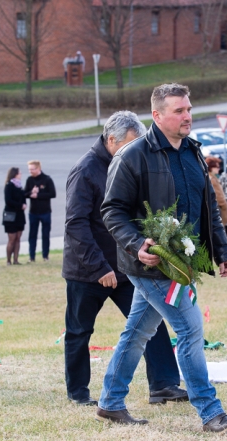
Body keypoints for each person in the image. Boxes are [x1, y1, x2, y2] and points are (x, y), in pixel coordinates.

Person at [99, 83, 227, 434]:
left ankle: (110, 401)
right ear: (157, 115)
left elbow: (207, 205)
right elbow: (112, 211)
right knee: (191, 330)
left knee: (138, 331)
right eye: (179, 111)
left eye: (189, 109)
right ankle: (211, 413)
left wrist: (222, 249)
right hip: (151, 265)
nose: (188, 116)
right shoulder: (132, 156)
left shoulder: (192, 152)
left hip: (184, 263)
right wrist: (138, 245)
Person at [62, 111, 186, 407]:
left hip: (127, 264)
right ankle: (78, 393)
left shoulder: (128, 165)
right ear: (112, 139)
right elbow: (75, 224)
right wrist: (99, 268)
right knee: (79, 331)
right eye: (131, 144)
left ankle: (164, 385)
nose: (136, 150)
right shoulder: (86, 171)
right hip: (88, 270)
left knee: (150, 323)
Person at [24, 160, 56, 262]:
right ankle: (31, 257)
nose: (30, 171)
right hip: (33, 212)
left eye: (32, 169)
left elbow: (52, 194)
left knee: (45, 234)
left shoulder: (47, 179)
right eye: (29, 169)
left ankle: (45, 256)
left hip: (45, 212)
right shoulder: (29, 180)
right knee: (32, 234)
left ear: (38, 169)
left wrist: (38, 195)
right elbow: (24, 194)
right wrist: (31, 193)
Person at [4, 167, 27, 265]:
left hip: (20, 215)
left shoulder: (20, 186)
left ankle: (16, 259)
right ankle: (8, 260)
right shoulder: (9, 186)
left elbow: (23, 196)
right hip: (10, 215)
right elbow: (8, 200)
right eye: (19, 173)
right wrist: (20, 205)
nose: (21, 175)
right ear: (14, 174)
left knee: (18, 238)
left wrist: (24, 204)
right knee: (12, 238)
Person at [206, 157, 227, 225]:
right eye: (216, 167)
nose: (218, 168)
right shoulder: (212, 179)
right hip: (218, 208)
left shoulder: (212, 177)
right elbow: (218, 195)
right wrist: (225, 205)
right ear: (211, 167)